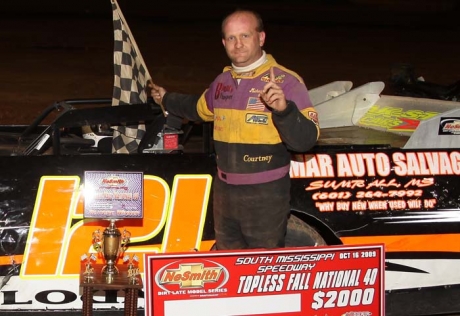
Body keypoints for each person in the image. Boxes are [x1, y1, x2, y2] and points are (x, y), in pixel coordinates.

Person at [149, 9, 319, 250]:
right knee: (227, 270)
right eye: (231, 38)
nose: (238, 44)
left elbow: (305, 141)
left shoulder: (286, 82)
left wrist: (284, 109)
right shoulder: (222, 82)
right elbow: (197, 108)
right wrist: (166, 99)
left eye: (245, 36)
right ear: (223, 42)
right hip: (225, 193)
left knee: (260, 271)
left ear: (261, 38)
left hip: (265, 195)